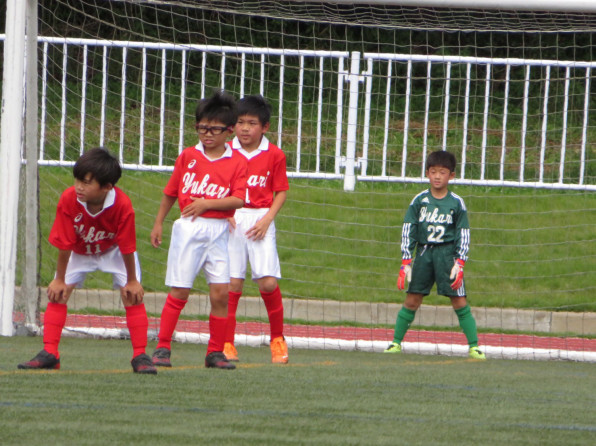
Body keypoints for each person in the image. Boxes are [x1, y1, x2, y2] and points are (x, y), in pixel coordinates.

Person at [18, 147, 156, 374]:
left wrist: (132, 280)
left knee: (131, 295)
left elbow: (127, 246)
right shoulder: (69, 199)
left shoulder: (122, 205)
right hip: (79, 251)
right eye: (78, 180)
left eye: (86, 182)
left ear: (107, 187)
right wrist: (60, 279)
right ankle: (50, 352)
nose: (79, 186)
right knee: (58, 292)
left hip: (113, 251)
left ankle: (140, 355)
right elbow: (64, 242)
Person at [150, 91, 247, 370]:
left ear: (229, 131)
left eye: (214, 129)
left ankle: (215, 352)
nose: (207, 134)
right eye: (202, 128)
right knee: (179, 291)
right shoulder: (188, 156)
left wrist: (207, 204)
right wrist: (159, 223)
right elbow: (171, 192)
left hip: (218, 232)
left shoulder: (236, 161)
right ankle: (163, 347)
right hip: (189, 230)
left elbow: (239, 199)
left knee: (220, 293)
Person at [384, 150, 486, 360]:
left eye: (442, 172)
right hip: (423, 253)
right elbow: (408, 228)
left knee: (459, 300)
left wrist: (460, 262)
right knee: (412, 300)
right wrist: (406, 261)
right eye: (433, 172)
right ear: (427, 174)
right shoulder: (419, 200)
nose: (437, 176)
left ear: (452, 175)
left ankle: (474, 346)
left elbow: (463, 233)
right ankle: (396, 342)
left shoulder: (456, 203)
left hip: (447, 256)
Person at [223, 95, 290, 364]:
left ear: (265, 127)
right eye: (240, 122)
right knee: (231, 283)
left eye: (252, 123)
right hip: (232, 217)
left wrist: (267, 219)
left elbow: (281, 191)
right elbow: (219, 184)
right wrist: (225, 213)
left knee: (268, 281)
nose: (245, 128)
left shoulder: (274, 154)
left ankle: (277, 340)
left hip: (261, 218)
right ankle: (226, 343)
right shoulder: (226, 150)